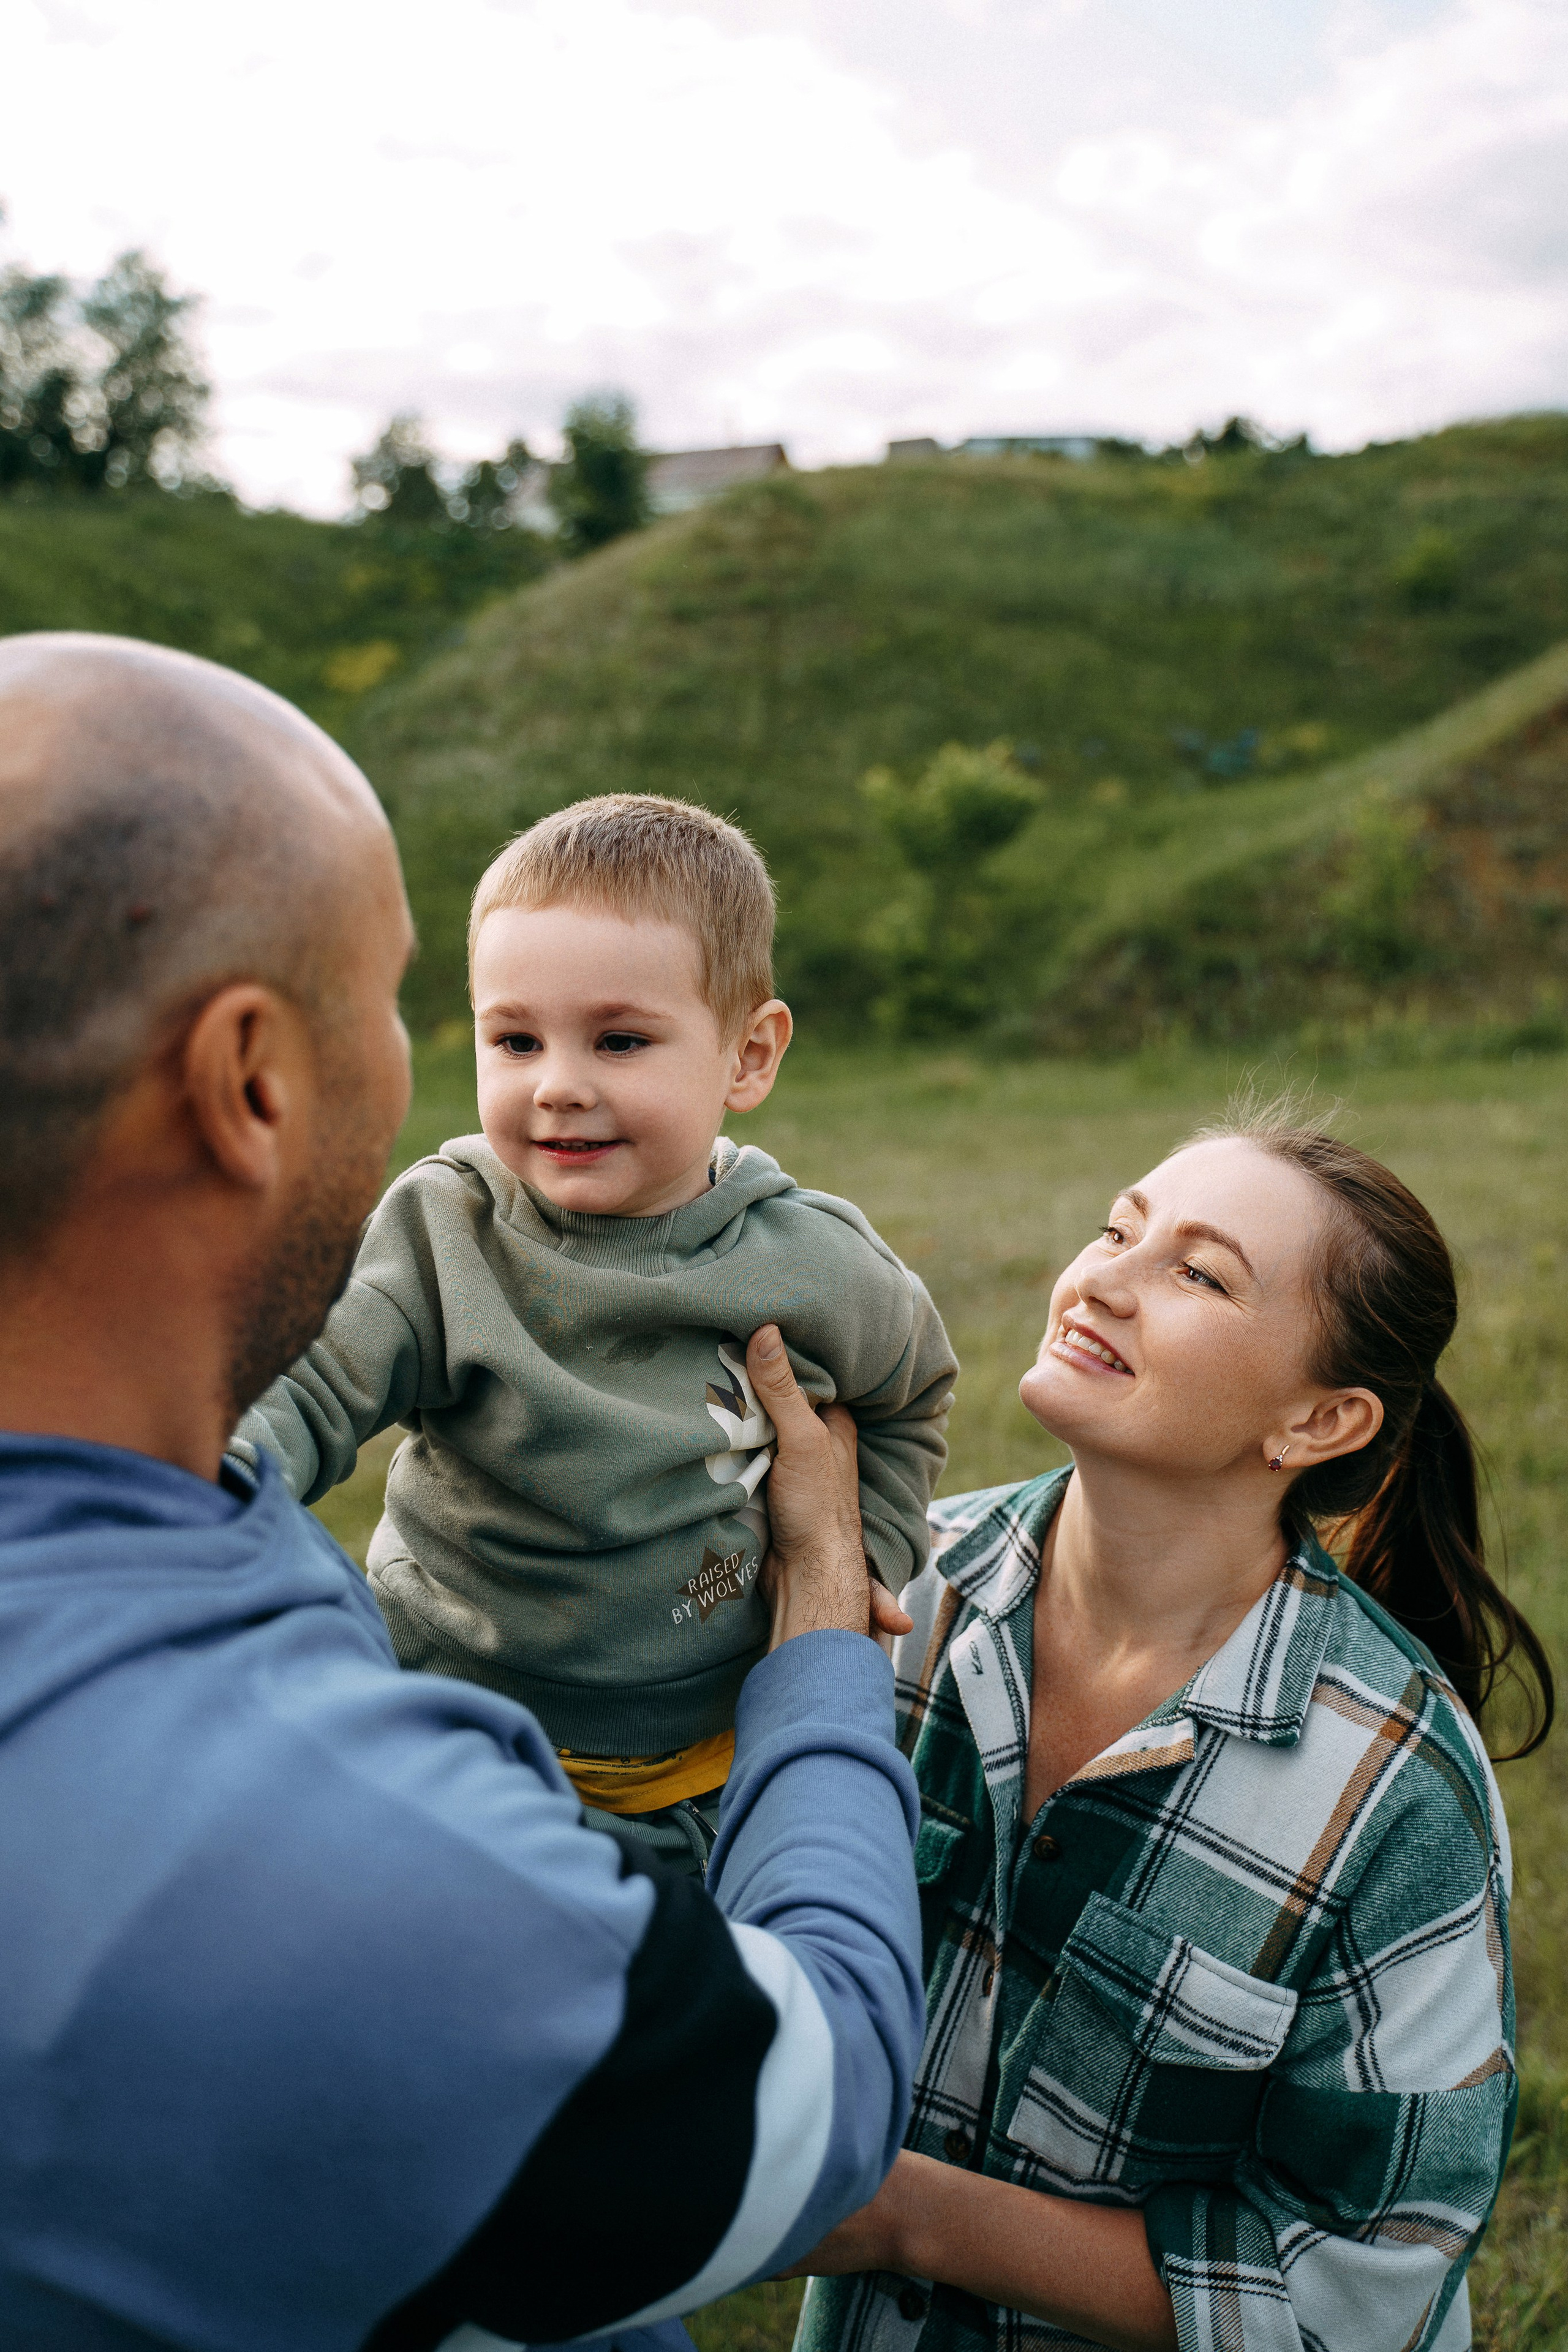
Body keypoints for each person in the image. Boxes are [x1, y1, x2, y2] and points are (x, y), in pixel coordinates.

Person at [0, 632, 925, 2352]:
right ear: (252, 1079)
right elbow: (821, 2084)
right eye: (420, 1000)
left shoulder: (160, 1539)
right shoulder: (380, 1876)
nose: (526, 1085)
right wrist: (819, 1632)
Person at [793, 1112, 1553, 2352]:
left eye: (1196, 1274)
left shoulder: (1395, 1788)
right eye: (1116, 1229)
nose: (1099, 1280)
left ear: (1316, 1424)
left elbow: (1357, 2294)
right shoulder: (891, 1596)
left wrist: (904, 2217)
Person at [232, 794, 956, 1874]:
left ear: (748, 1057)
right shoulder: (448, 1228)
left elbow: (909, 1393)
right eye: (514, 1039)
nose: (559, 1085)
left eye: (620, 1041)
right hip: (437, 1719)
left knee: (668, 2021)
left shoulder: (818, 1266)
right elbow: (309, 1383)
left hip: (699, 1766)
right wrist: (213, 1483)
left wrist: (860, 1562)